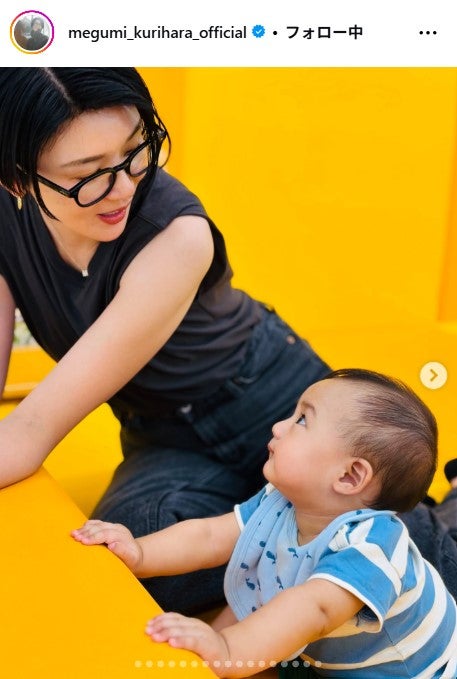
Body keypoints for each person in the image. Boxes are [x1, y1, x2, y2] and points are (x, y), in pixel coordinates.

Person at [0, 68, 456, 614]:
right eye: (89, 174)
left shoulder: (177, 234)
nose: (124, 187)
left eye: (136, 150)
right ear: (16, 179)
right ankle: (275, 527)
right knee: (130, 567)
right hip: (164, 436)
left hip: (275, 401)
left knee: (419, 572)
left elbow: (30, 430)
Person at [72, 369, 457, 678]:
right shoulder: (281, 501)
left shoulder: (371, 547)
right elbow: (210, 536)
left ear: (349, 476)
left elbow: (314, 609)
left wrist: (228, 649)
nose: (278, 427)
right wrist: (139, 552)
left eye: (302, 420)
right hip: (328, 658)